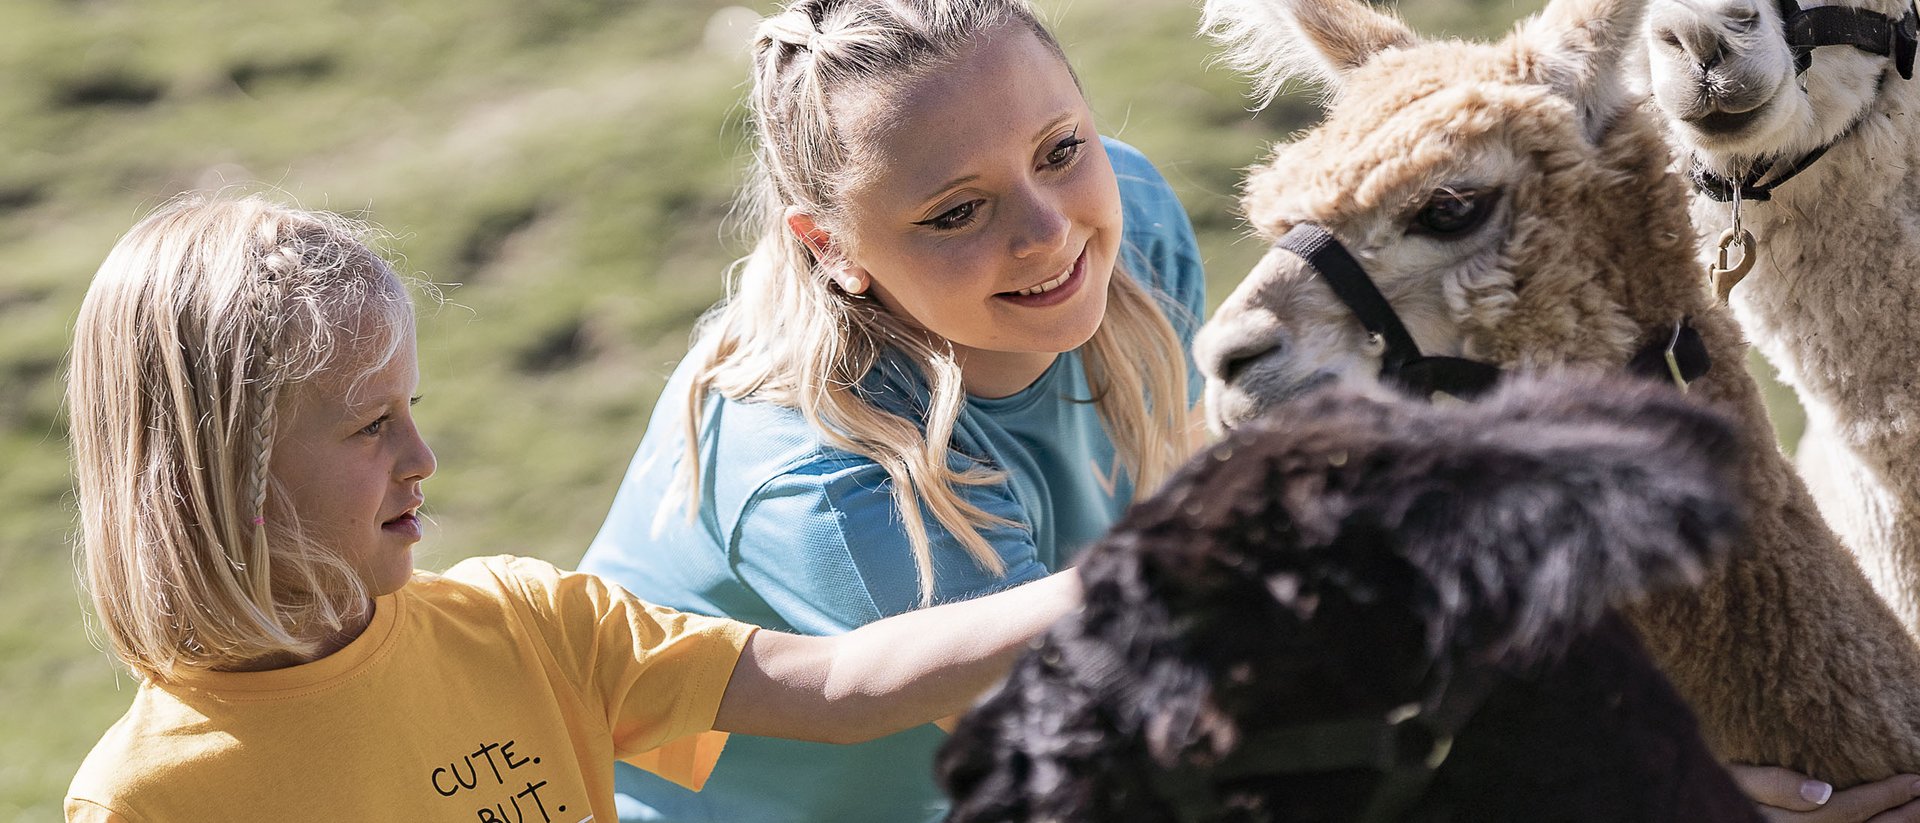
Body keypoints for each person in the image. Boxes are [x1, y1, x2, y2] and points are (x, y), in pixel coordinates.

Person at [61, 196, 1082, 822]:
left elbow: (843, 687)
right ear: (228, 476)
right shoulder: (147, 799)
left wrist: (1118, 581)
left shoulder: (523, 623)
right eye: (371, 425)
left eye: (411, 409)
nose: (421, 458)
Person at [576, 0, 1205, 819]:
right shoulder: (819, 472)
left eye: (1060, 150)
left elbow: (1191, 479)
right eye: (957, 212)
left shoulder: (1131, 216)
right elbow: (1094, 739)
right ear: (830, 246)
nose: (1049, 231)